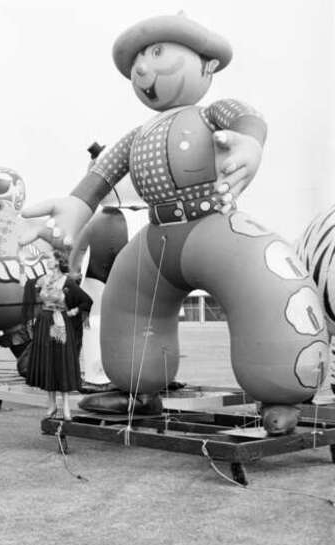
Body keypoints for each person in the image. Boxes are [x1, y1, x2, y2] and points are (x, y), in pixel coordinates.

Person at [18, 13, 328, 434]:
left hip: (215, 225)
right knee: (127, 299)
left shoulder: (210, 113)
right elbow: (100, 176)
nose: (144, 68)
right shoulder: (136, 135)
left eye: (158, 53)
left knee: (269, 286)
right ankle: (138, 389)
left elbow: (247, 119)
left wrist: (248, 143)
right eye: (139, 61)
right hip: (156, 236)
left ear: (208, 65)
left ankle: (282, 392)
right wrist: (76, 205)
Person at [25, 249, 93, 420]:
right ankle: (52, 404)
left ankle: (66, 406)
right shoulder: (42, 280)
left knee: (60, 360)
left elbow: (87, 300)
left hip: (58, 323)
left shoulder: (67, 281)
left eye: (49, 258)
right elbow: (29, 292)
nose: (47, 260)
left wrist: (73, 311)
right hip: (44, 323)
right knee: (48, 360)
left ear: (57, 261)